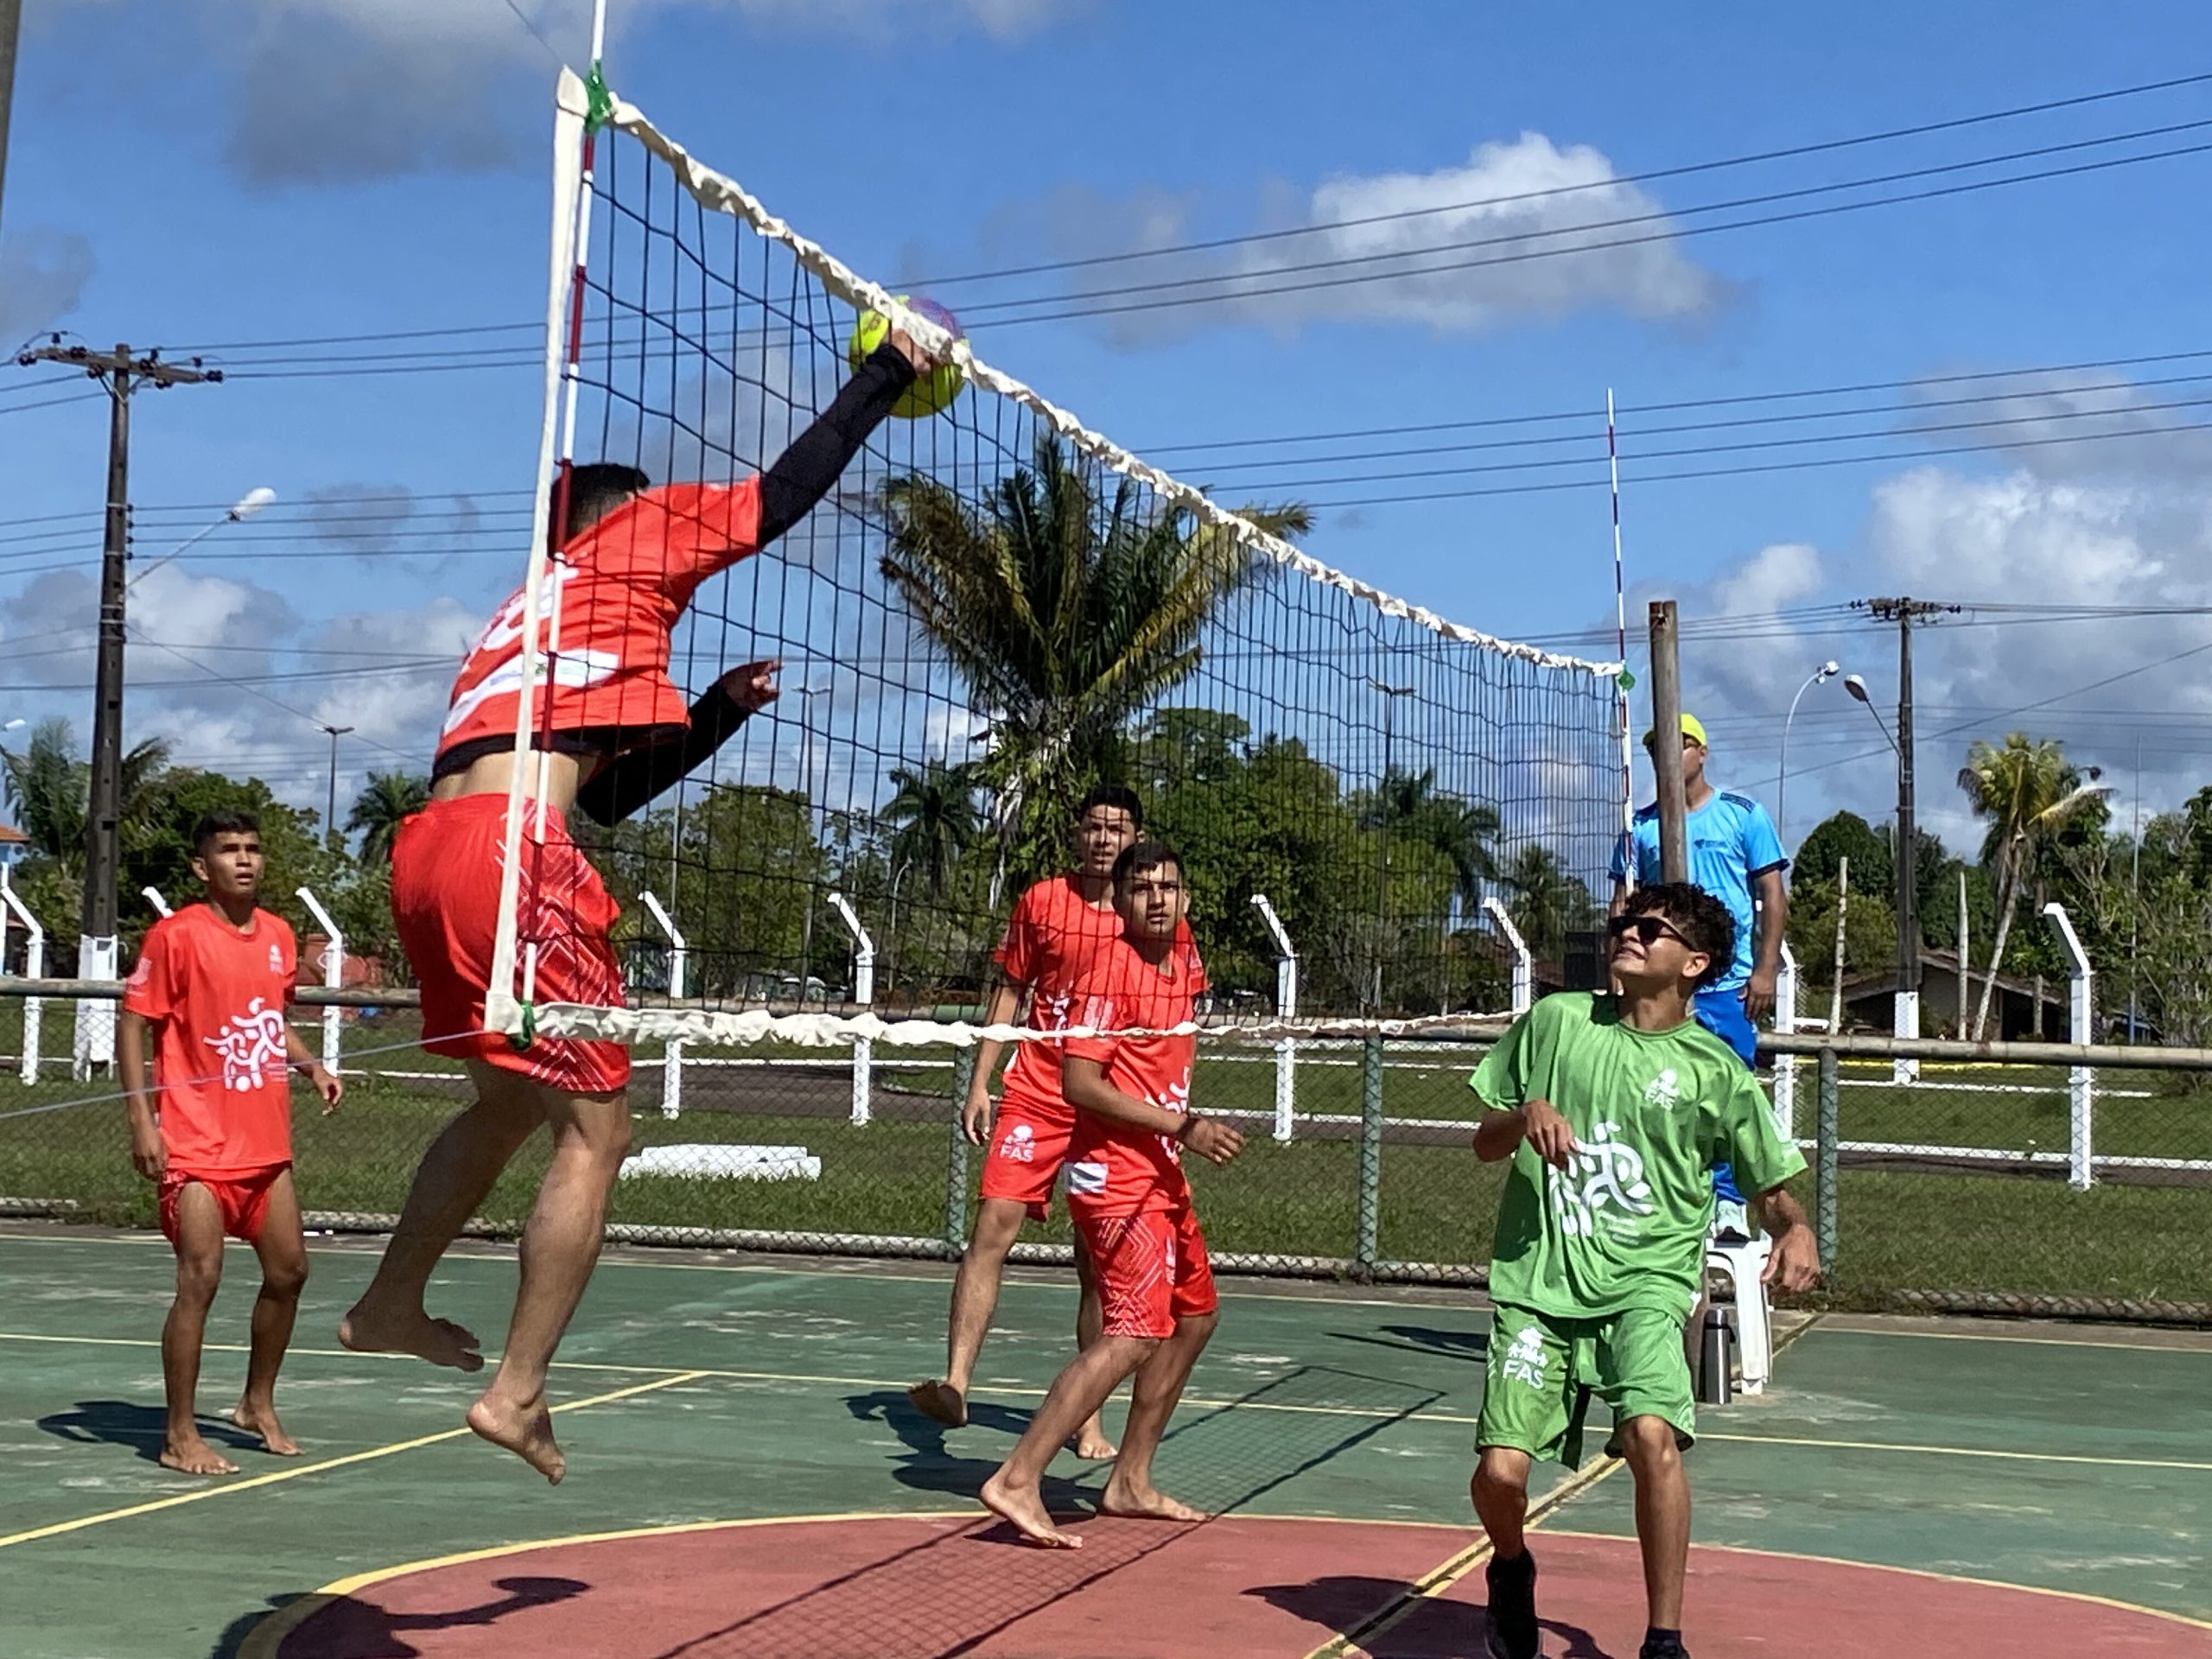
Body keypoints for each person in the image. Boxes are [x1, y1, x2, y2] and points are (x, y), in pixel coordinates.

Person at [338, 327, 939, 1484]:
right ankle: (516, 1392)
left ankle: (391, 1301)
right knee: (598, 1133)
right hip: (514, 853)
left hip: (434, 853)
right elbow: (775, 500)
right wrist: (887, 376)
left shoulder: (524, 622)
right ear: (619, 516)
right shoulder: (627, 540)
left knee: (508, 1107)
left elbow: (605, 798)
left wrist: (713, 713)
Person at [1467, 883, 1820, 1659]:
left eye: (1649, 928)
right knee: (1500, 1474)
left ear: (1693, 963)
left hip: (1647, 1286)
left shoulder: (1715, 1071)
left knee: (1652, 1434)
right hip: (1540, 1280)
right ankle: (1511, 1564)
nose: (1627, 932)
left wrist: (1795, 1229)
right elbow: (1483, 1143)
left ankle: (1664, 1638)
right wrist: (1525, 1114)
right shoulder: (1558, 1022)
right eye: (1624, 922)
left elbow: (1772, 1188)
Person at [908, 785, 1200, 1459]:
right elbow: (1010, 991)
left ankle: (1088, 1419)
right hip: (1041, 1087)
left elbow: (1175, 1016)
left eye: (1117, 828)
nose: (1104, 838)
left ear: (1135, 838)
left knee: (1098, 1265)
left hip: (1111, 1100)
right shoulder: (1043, 900)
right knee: (992, 1224)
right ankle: (956, 1381)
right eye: (1094, 826)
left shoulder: (1159, 920)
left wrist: (1173, 1113)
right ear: (1077, 835)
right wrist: (982, 1079)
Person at [979, 842, 1243, 1548]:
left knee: (1195, 1318)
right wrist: (1183, 1125)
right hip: (1118, 1177)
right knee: (1133, 1332)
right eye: (1141, 889)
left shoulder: (1184, 957)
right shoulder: (1106, 973)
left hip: (1160, 1172)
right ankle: (1016, 1476)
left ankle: (1129, 1480)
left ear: (1186, 900)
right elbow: (1079, 1086)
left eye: (1169, 888)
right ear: (1117, 902)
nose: (1157, 898)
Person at [119, 810, 344, 1476]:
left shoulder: (278, 936)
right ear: (201, 867)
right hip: (193, 1148)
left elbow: (269, 1020)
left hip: (263, 1146)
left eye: (252, 849)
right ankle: (178, 1435)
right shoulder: (175, 935)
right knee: (200, 1280)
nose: (244, 860)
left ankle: (256, 1403)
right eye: (228, 851)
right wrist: (142, 1121)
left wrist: (310, 1065)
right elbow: (133, 1028)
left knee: (290, 1272)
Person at [1611, 713, 1789, 1231]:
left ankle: (1729, 1201)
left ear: (1701, 752)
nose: (1668, 757)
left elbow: (1773, 896)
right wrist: (1619, 971)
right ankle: (1656, 1191)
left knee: (1730, 1087)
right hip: (1660, 985)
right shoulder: (1639, 827)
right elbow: (1621, 900)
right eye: (1658, 749)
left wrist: (1765, 969)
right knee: (1650, 1086)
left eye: (1679, 745)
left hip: (1727, 982)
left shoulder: (1743, 815)